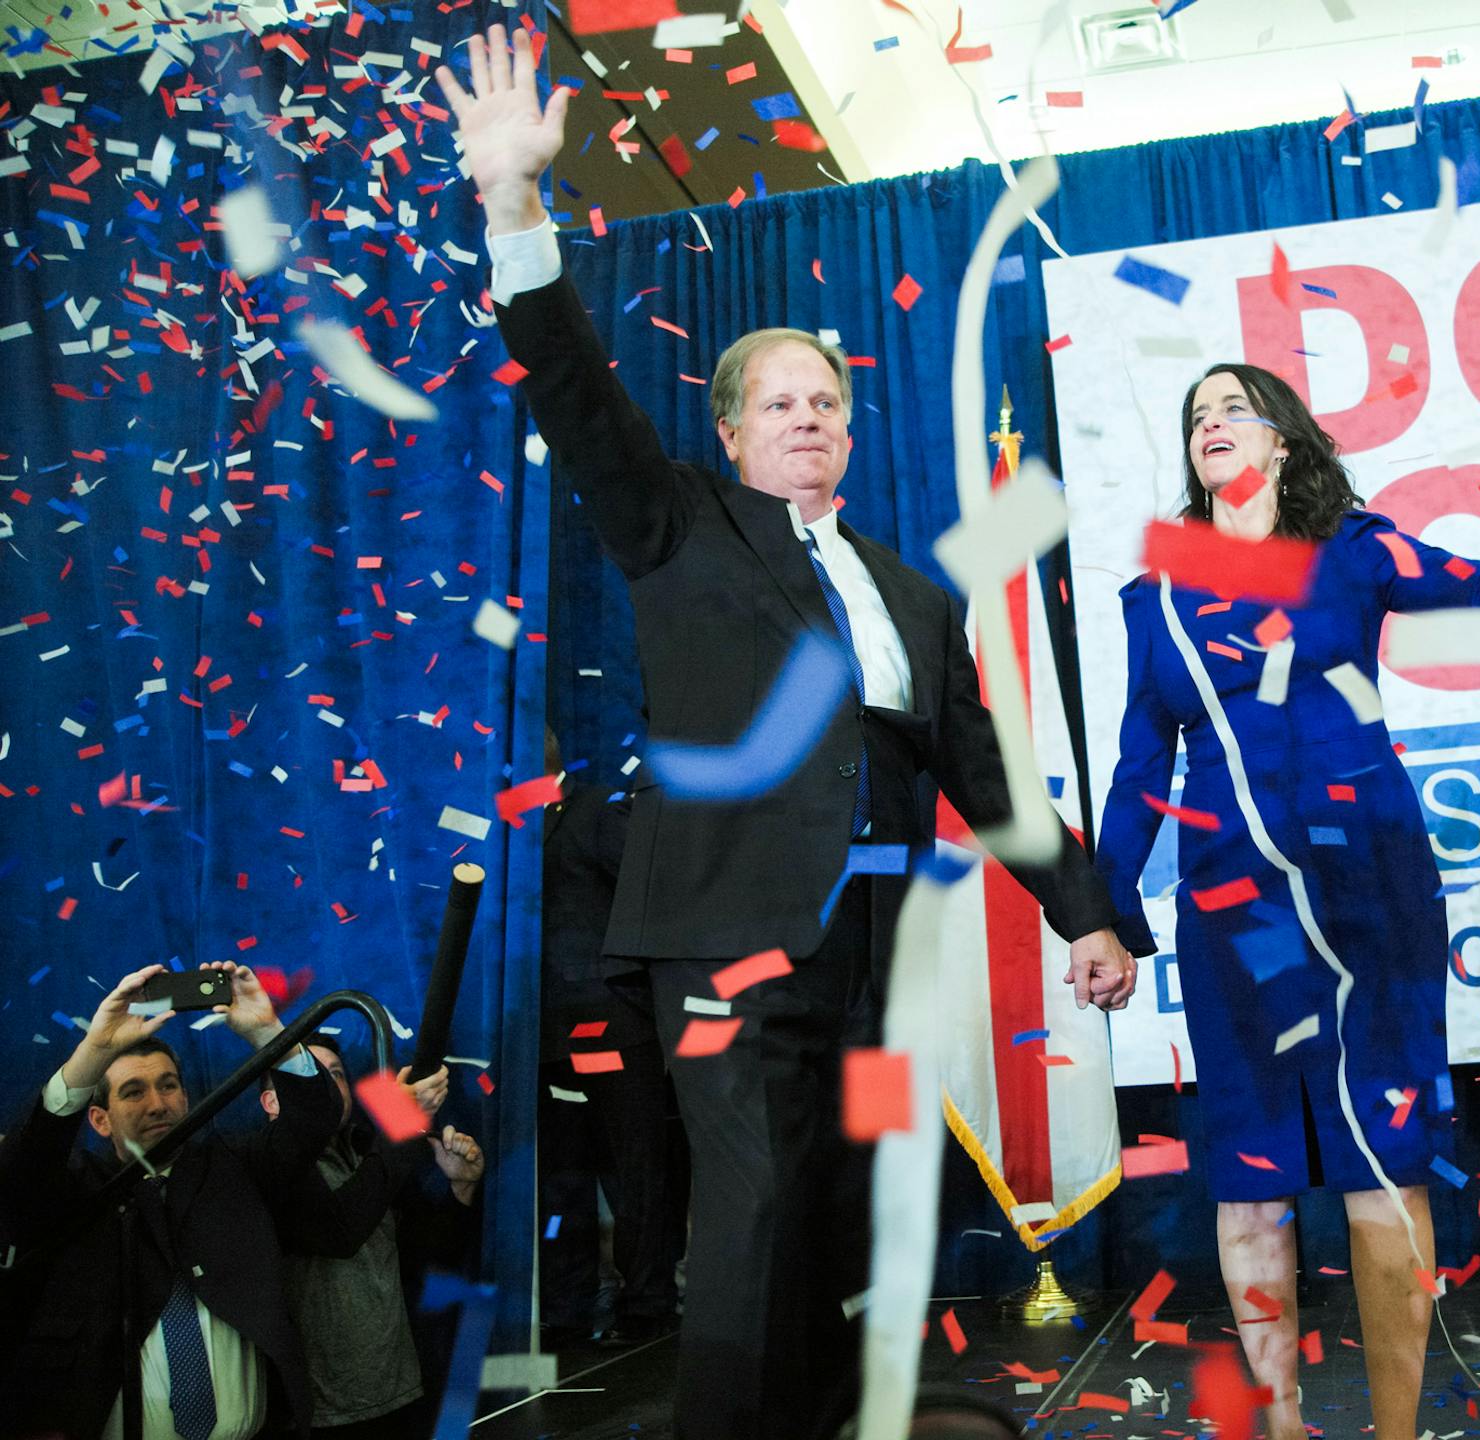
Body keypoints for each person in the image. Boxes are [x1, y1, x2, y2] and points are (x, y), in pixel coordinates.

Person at [435, 29, 1133, 1440]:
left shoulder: (913, 594)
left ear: (848, 434)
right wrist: (517, 209)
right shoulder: (676, 521)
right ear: (734, 433)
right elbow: (573, 386)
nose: (806, 418)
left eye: (827, 403)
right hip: (720, 945)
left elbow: (987, 776)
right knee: (750, 1212)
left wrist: (1087, 915)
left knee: (828, 1218)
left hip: (865, 960)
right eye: (780, 403)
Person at [1093, 324, 1480, 1440]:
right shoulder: (1159, 597)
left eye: (1233, 405)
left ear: (1283, 441)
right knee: (1250, 1165)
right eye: (1197, 415)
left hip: (1368, 884)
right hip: (1232, 904)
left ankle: (1395, 1427)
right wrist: (1104, 910)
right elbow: (1141, 765)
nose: (1212, 421)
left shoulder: (1358, 549)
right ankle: (1279, 1429)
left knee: (1384, 1153)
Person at [0, 962, 340, 1440]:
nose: (158, 1104)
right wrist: (94, 1051)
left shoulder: (236, 1166)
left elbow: (315, 1121)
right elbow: (20, 1175)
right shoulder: (78, 1191)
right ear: (100, 1119)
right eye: (133, 1092)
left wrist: (266, 1031)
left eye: (168, 1085)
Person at [537, 727, 684, 1349]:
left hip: (615, 1030)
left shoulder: (599, 811)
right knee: (562, 1177)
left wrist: (638, 993)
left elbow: (657, 897)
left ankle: (647, 1304)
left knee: (637, 1173)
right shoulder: (505, 834)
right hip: (547, 1041)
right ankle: (568, 1308)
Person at [258, 1036, 484, 1440]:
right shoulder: (268, 1163)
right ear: (271, 1104)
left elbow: (428, 1254)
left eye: (337, 1075)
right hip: (320, 1417)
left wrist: (461, 1187)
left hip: (400, 1391)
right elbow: (339, 1231)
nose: (327, 1086)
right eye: (309, 1076)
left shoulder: (367, 1151)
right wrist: (402, 1121)